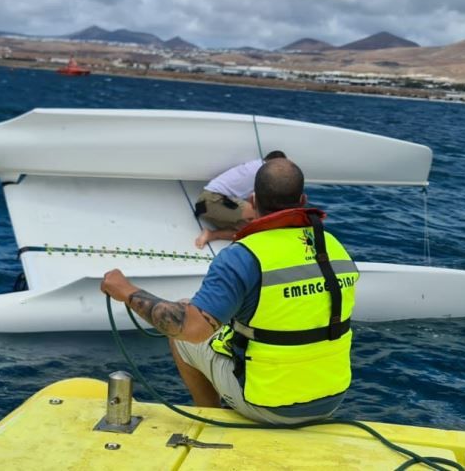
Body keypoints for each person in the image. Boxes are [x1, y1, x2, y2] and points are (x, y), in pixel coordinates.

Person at [101, 158, 359, 425]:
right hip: (331, 397)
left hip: (269, 406)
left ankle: (210, 418)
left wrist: (127, 292)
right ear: (303, 200)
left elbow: (189, 328)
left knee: (182, 333)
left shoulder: (242, 256)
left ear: (253, 201)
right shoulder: (332, 246)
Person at [193, 150, 286, 249]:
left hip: (210, 208)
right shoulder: (262, 170)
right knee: (258, 216)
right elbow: (261, 206)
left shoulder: (256, 167)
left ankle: (211, 234)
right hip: (211, 199)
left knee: (250, 231)